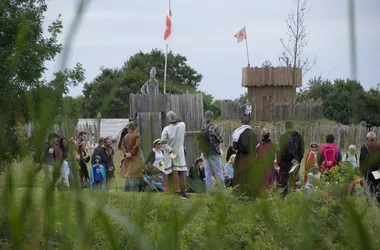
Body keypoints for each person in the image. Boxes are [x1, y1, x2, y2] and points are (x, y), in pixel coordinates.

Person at [161, 111, 189, 199]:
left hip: (171, 153)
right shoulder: (182, 125)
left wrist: (170, 150)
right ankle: (183, 192)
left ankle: (172, 191)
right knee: (180, 172)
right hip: (179, 152)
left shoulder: (166, 129)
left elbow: (163, 143)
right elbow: (180, 120)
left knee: (170, 172)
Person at [232, 115, 259, 198]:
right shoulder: (253, 133)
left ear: (242, 122)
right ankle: (251, 194)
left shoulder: (237, 132)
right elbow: (256, 144)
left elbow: (235, 146)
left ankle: (239, 193)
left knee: (241, 175)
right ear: (249, 122)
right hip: (251, 157)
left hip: (241, 157)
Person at [199, 110, 225, 192]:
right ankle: (222, 191)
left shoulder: (203, 128)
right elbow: (220, 139)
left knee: (208, 174)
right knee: (219, 173)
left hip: (206, 153)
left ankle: (209, 191)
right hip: (214, 153)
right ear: (212, 117)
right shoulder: (214, 127)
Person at [278, 121, 304, 198]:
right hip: (296, 163)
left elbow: (282, 152)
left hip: (286, 163)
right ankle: (293, 197)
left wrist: (290, 159)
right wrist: (297, 160)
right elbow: (302, 150)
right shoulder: (299, 137)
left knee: (285, 182)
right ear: (292, 127)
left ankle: (284, 198)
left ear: (285, 128)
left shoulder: (283, 137)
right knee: (294, 180)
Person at [120, 122, 144, 192]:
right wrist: (131, 153)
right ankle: (135, 190)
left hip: (127, 158)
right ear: (135, 128)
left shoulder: (125, 136)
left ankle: (126, 190)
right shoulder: (137, 135)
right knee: (135, 174)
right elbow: (137, 145)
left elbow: (122, 146)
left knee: (127, 174)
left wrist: (126, 153)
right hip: (135, 157)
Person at [359, 131, 380, 204]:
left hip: (368, 171)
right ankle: (378, 204)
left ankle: (369, 204)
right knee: (377, 188)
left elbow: (362, 160)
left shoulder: (364, 146)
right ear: (374, 138)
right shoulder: (379, 145)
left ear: (367, 138)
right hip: (378, 170)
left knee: (369, 187)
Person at [255, 128, 276, 193]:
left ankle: (263, 198)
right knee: (270, 182)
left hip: (261, 166)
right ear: (269, 135)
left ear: (262, 135)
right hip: (270, 166)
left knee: (263, 183)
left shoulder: (258, 146)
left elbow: (257, 157)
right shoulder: (273, 145)